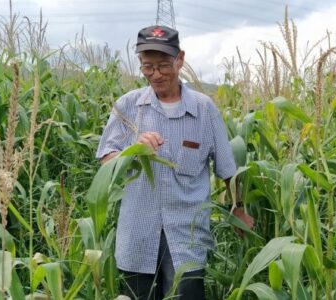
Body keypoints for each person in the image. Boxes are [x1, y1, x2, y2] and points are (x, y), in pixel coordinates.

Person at [96, 25, 254, 300]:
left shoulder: (204, 110)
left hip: (187, 236)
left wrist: (237, 209)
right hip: (138, 234)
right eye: (147, 67)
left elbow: (227, 169)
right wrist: (132, 151)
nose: (155, 74)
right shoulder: (127, 107)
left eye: (162, 65)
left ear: (180, 59)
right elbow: (106, 161)